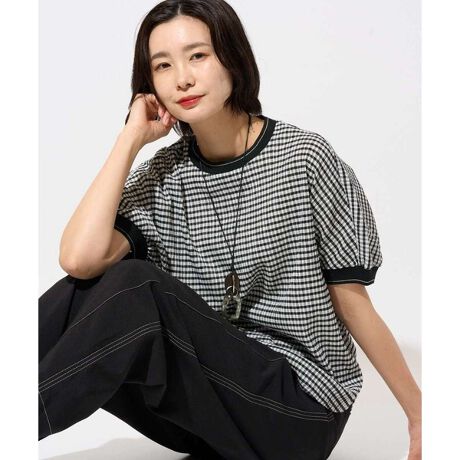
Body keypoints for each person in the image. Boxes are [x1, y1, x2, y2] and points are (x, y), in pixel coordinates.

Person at [38, 0, 422, 459]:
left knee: (137, 285)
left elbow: (353, 302)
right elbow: (78, 259)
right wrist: (129, 140)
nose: (182, 78)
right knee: (85, 290)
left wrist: (419, 414)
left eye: (198, 56)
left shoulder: (304, 159)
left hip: (298, 412)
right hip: (211, 413)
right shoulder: (165, 176)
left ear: (232, 57)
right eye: (163, 65)